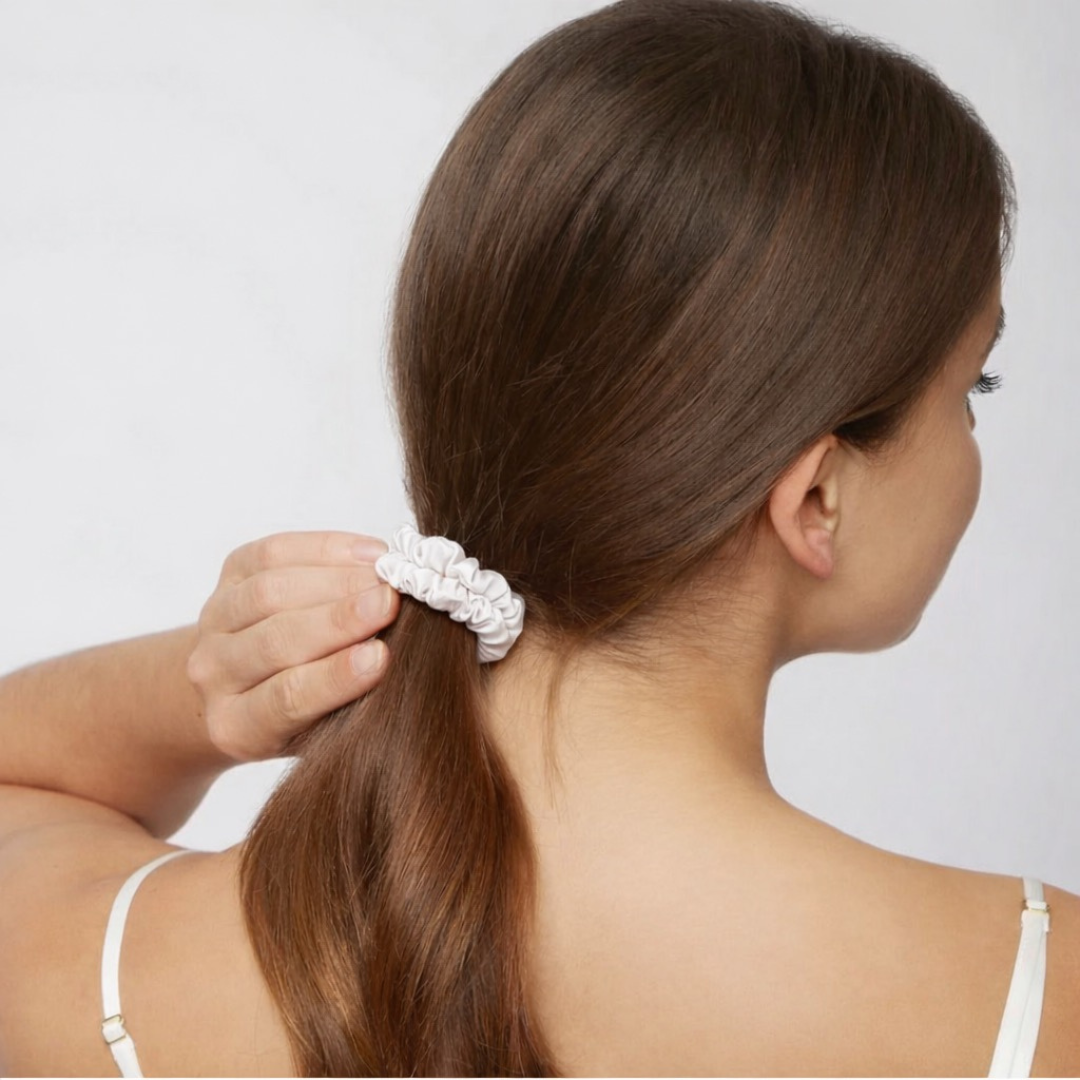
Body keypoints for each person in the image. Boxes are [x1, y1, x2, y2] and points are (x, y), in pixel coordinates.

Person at [1, 0, 1077, 1076]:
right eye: (969, 385)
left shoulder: (110, 972)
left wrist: (211, 688)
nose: (973, 440)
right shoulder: (1033, 1000)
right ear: (816, 500)